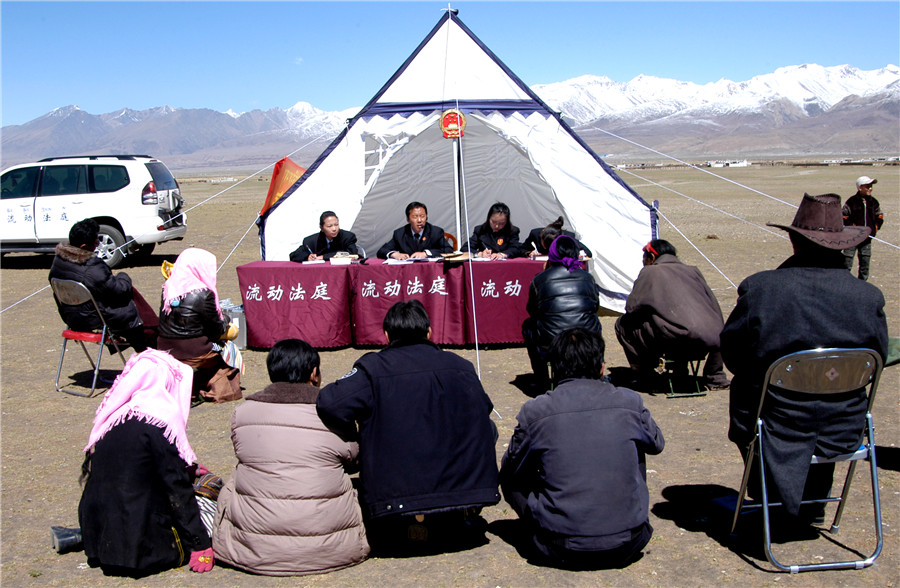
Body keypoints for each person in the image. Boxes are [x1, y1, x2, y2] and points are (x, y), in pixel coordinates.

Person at [721, 192, 888, 521]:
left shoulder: (761, 289)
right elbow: (876, 361)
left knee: (746, 389)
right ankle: (813, 502)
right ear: (841, 245)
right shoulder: (867, 296)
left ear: (794, 241)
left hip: (777, 418)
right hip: (844, 423)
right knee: (829, 391)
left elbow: (733, 354)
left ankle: (774, 496)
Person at [316, 300, 499, 553]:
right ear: (429, 332)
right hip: (465, 492)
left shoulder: (373, 368)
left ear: (387, 335)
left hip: (395, 499)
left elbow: (329, 403)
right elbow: (484, 409)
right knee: (488, 427)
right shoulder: (461, 366)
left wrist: (362, 434)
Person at [500, 327, 664, 569]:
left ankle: (554, 521)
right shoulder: (629, 401)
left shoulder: (536, 410)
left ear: (554, 370)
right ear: (602, 367)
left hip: (559, 546)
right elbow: (657, 444)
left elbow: (511, 468)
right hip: (629, 541)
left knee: (516, 467)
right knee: (635, 441)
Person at [213, 339, 369, 576]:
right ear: (314, 374)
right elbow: (353, 460)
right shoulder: (334, 414)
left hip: (253, 550)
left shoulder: (243, 412)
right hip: (332, 548)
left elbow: (243, 453)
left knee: (239, 475)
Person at [78, 349, 214, 577]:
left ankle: (77, 536)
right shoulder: (158, 422)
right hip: (141, 548)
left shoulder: (113, 418)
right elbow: (177, 490)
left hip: (98, 541)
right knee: (209, 491)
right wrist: (200, 543)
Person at [614, 239, 730, 390]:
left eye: (644, 259)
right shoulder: (693, 271)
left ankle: (645, 374)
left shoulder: (650, 272)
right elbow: (715, 308)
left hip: (674, 342)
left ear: (652, 257)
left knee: (623, 324)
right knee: (679, 322)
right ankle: (713, 375)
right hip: (707, 342)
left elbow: (631, 307)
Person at [48, 218, 157, 351]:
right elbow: (119, 290)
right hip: (95, 319)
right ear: (83, 246)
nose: (98, 244)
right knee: (131, 296)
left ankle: (148, 339)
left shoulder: (58, 262)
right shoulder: (91, 266)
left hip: (73, 317)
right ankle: (150, 342)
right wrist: (123, 276)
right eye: (95, 241)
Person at [157, 248, 242, 403]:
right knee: (230, 347)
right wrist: (226, 319)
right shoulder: (204, 294)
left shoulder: (168, 287)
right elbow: (217, 330)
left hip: (165, 348)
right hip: (194, 351)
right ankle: (220, 388)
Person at [522, 235, 601, 388]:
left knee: (528, 325)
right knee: (594, 321)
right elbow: (595, 306)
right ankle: (596, 373)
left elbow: (532, 310)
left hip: (552, 341)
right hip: (586, 338)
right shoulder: (588, 278)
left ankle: (542, 379)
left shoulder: (539, 279)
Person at [376, 201, 453, 259]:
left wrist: (426, 254)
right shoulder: (400, 234)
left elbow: (448, 250)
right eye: (415, 217)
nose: (419, 220)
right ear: (408, 219)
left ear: (426, 217)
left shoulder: (435, 232)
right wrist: (394, 254)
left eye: (422, 216)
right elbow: (382, 250)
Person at [842, 175, 884, 281]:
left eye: (871, 186)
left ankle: (862, 284)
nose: (870, 188)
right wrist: (852, 228)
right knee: (847, 262)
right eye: (867, 186)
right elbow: (843, 216)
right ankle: (844, 283)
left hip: (867, 238)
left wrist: (875, 228)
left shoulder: (874, 202)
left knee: (865, 263)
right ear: (860, 188)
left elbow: (879, 216)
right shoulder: (851, 201)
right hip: (851, 238)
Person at [289, 210, 359, 262]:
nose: (334, 229)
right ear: (321, 228)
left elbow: (352, 253)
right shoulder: (311, 240)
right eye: (329, 226)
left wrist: (324, 257)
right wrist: (307, 257)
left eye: (336, 225)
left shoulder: (347, 237)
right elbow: (293, 255)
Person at [523, 216, 593, 259]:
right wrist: (529, 253)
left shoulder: (567, 237)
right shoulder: (535, 234)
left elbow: (587, 253)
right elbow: (521, 249)